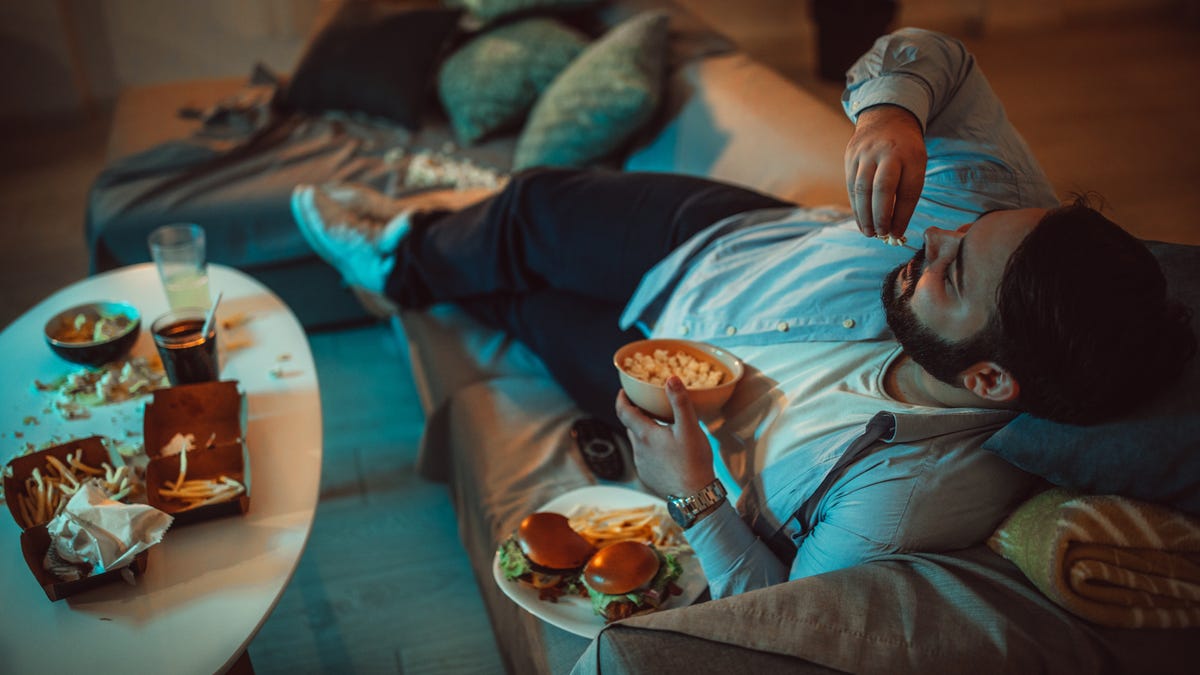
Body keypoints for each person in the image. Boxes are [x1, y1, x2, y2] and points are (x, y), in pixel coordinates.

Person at [290, 28, 1195, 598]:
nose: (934, 237)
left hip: (666, 383)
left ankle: (423, 264)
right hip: (724, 240)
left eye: (951, 274)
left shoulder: (902, 504)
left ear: (990, 378)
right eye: (965, 229)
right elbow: (939, 60)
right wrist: (891, 111)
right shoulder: (1008, 215)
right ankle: (398, 256)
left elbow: (773, 605)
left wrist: (695, 495)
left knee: (525, 310)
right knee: (531, 208)